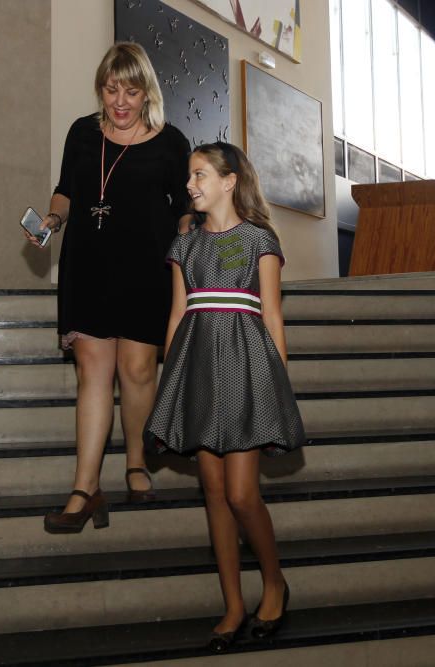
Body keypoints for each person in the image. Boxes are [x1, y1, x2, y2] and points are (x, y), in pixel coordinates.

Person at [144, 142, 306, 652]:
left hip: (246, 371)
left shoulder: (256, 240)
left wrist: (277, 385)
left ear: (229, 180)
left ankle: (275, 582)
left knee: (240, 494)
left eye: (199, 175)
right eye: (189, 176)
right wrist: (170, 385)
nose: (190, 184)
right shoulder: (184, 247)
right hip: (196, 370)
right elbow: (175, 316)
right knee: (213, 494)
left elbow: (273, 317)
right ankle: (233, 603)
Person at [29, 42, 192, 533]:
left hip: (146, 266)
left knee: (138, 370)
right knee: (92, 373)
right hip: (89, 261)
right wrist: (53, 218)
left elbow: (185, 203)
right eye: (111, 88)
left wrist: (188, 232)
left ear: (147, 92)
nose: (120, 101)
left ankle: (136, 461)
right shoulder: (82, 132)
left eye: (131, 90)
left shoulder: (171, 141)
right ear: (102, 88)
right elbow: (66, 187)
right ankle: (85, 486)